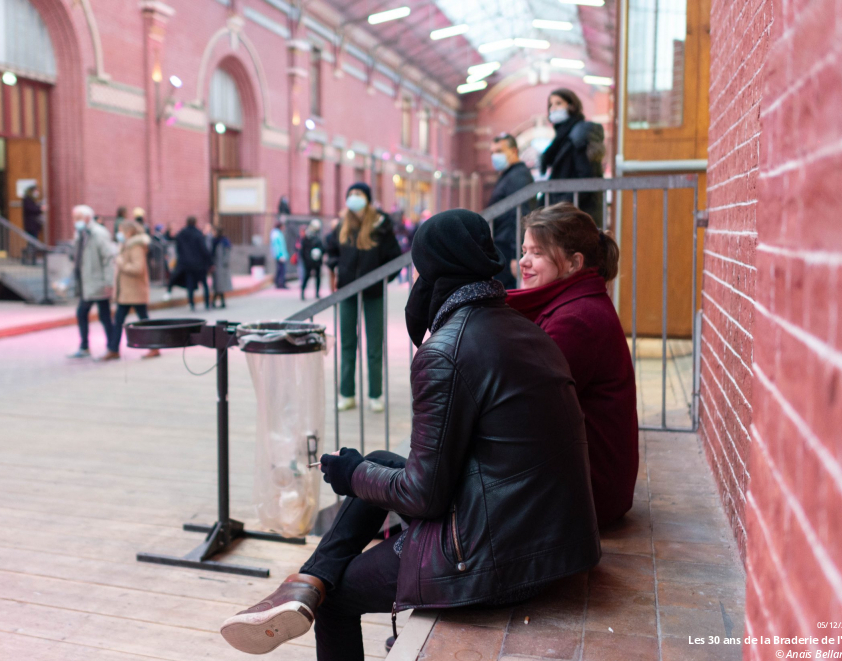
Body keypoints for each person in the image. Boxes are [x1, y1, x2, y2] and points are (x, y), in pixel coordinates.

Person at [219, 209, 600, 660]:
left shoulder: (447, 349)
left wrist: (351, 475)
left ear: (433, 269)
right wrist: (363, 470)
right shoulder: (526, 330)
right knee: (377, 459)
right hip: (551, 539)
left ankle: (313, 585)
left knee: (337, 600)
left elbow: (425, 496)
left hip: (499, 558)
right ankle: (307, 580)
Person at [506, 202, 637, 526]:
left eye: (537, 253)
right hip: (584, 482)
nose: (523, 261)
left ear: (573, 263)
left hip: (588, 494)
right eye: (524, 250)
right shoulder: (573, 303)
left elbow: (524, 406)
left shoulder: (578, 320)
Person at [326, 183, 401, 413]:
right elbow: (330, 250)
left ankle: (375, 394)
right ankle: (347, 394)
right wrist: (335, 268)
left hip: (373, 294)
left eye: (358, 194)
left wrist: (381, 281)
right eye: (350, 195)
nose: (353, 198)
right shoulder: (342, 226)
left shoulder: (380, 226)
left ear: (367, 199)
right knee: (347, 343)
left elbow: (395, 259)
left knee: (374, 346)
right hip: (348, 293)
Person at [539, 88, 605, 225]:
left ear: (572, 106)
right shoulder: (562, 138)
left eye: (559, 103)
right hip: (568, 214)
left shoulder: (579, 135)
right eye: (551, 105)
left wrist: (559, 207)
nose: (553, 108)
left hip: (578, 216)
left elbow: (586, 178)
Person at [102, 221, 161, 360]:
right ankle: (114, 349)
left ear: (128, 232)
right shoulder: (127, 245)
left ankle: (152, 347)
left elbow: (138, 268)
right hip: (128, 291)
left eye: (121, 230)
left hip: (135, 291)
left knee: (142, 320)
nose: (119, 233)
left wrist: (121, 262)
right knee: (124, 320)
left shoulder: (136, 247)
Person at [486, 133, 535, 289]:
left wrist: (517, 255)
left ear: (514, 151)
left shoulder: (518, 176)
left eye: (499, 151)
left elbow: (521, 215)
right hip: (504, 247)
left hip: (510, 250)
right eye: (492, 152)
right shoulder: (509, 176)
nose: (495, 156)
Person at [68, 205, 115, 359]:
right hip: (86, 282)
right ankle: (85, 346)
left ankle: (111, 347)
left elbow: (108, 258)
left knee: (104, 315)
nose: (74, 221)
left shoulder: (98, 234)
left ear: (87, 218)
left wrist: (109, 282)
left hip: (98, 282)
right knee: (83, 313)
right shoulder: (80, 234)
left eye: (77, 218)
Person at [166, 216, 212, 310]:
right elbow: (204, 250)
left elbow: (178, 248)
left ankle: (191, 304)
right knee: (204, 284)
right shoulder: (198, 234)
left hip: (187, 264)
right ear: (195, 222)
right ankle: (207, 303)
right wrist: (210, 262)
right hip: (199, 264)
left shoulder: (181, 234)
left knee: (190, 284)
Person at [300, 219, 324, 300]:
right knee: (307, 276)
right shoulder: (307, 237)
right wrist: (306, 259)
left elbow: (321, 248)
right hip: (308, 260)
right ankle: (303, 292)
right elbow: (303, 250)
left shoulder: (317, 237)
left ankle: (317, 293)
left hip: (316, 261)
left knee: (317, 277)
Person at [211, 225, 232, 309]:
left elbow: (227, 254)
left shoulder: (224, 241)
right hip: (216, 266)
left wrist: (225, 263)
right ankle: (219, 302)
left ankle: (215, 302)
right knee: (218, 286)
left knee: (219, 285)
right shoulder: (214, 241)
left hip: (221, 267)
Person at [270, 220, 289, 289]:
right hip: (280, 256)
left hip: (281, 255)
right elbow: (277, 246)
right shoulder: (276, 234)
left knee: (280, 270)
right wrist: (279, 256)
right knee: (281, 270)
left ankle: (279, 283)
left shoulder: (278, 233)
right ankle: (280, 283)